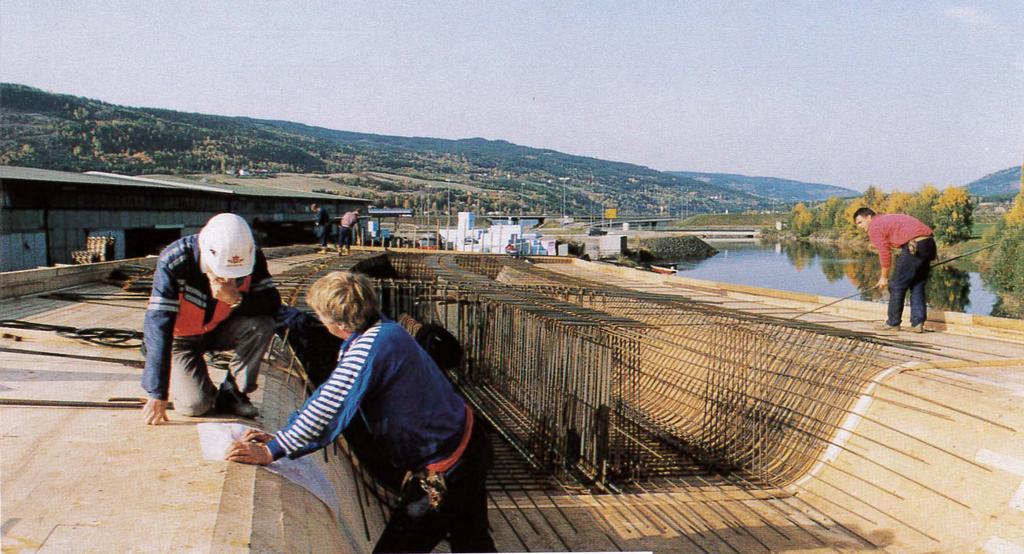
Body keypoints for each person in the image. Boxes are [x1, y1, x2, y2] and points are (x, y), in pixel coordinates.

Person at [225, 271, 495, 553]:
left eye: (322, 316)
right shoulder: (385, 329)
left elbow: (329, 404)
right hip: (467, 443)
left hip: (447, 466)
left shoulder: (369, 348)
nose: (320, 321)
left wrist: (274, 449)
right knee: (472, 540)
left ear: (339, 323)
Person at [141, 213, 281, 424]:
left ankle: (232, 393)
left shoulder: (250, 256)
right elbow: (158, 325)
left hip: (218, 330)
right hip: (181, 341)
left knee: (261, 325)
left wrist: (236, 299)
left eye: (235, 275)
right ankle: (203, 390)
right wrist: (157, 392)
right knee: (195, 406)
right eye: (223, 273)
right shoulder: (174, 261)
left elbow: (272, 304)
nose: (228, 279)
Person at [854, 207, 937, 333]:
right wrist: (930, 255)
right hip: (929, 243)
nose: (859, 226)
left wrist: (884, 277)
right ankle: (917, 323)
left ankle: (893, 323)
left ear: (869, 217)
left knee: (896, 285)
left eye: (860, 222)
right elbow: (923, 232)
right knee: (917, 284)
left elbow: (885, 253)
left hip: (913, 245)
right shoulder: (887, 218)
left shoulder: (875, 226)